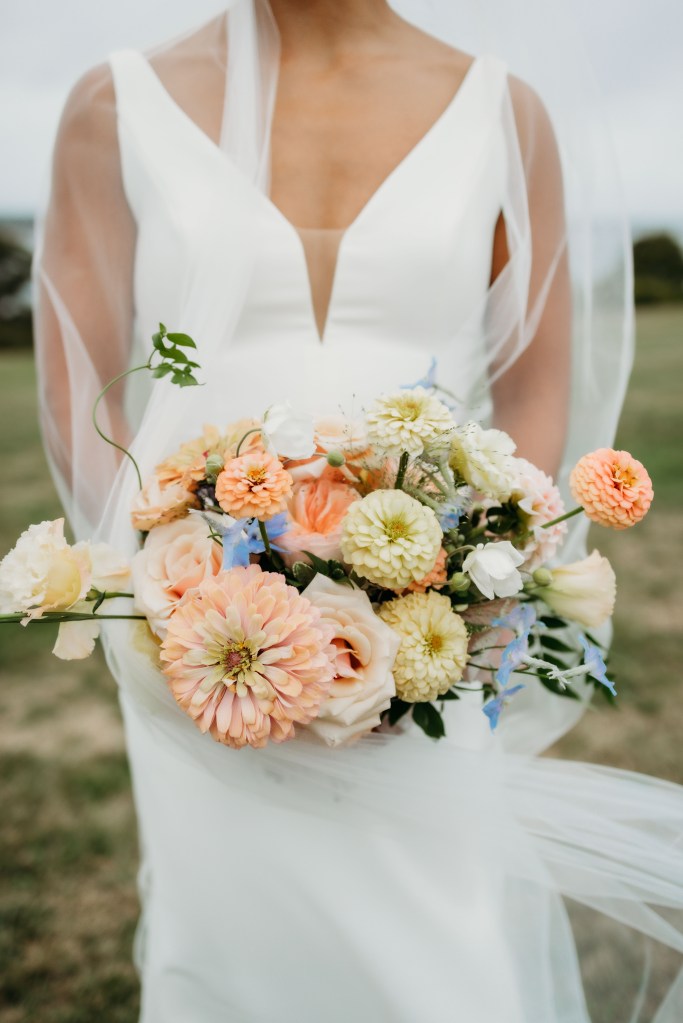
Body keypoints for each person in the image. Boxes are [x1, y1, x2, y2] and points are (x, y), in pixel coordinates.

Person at [33, 1, 683, 1020]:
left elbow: (535, 383)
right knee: (234, 938)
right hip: (199, 637)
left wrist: (472, 579)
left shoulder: (504, 113)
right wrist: (165, 585)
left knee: (440, 939)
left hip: (429, 608)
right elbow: (83, 381)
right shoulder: (112, 105)